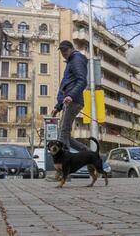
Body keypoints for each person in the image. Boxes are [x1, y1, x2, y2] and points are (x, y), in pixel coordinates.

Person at [46, 40, 89, 181]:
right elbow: (66, 86)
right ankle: (86, 152)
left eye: (65, 50)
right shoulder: (71, 61)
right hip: (69, 101)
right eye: (62, 51)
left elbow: (82, 81)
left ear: (71, 49)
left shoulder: (76, 59)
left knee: (63, 133)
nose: (63, 53)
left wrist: (71, 96)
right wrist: (57, 107)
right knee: (66, 136)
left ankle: (64, 174)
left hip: (73, 101)